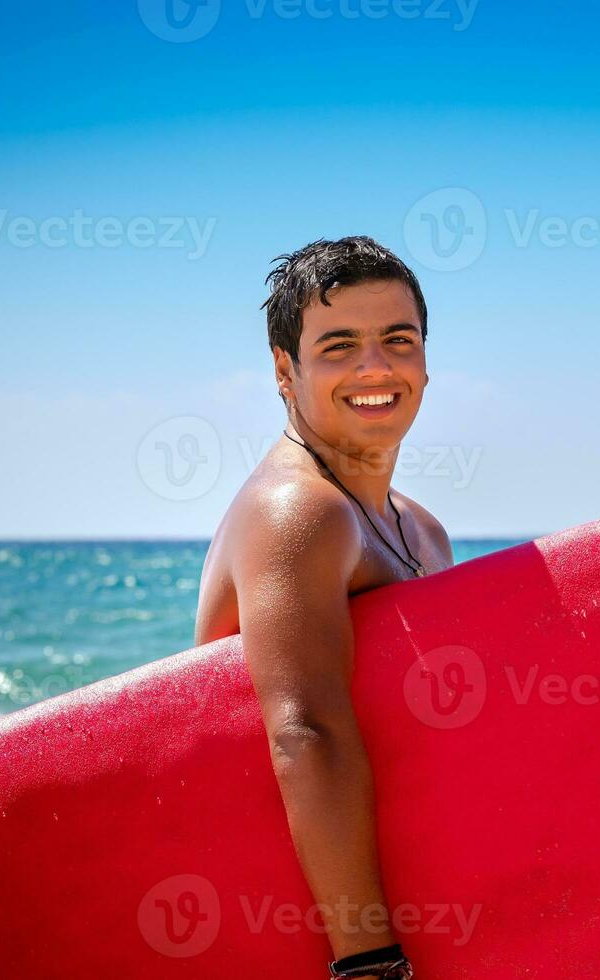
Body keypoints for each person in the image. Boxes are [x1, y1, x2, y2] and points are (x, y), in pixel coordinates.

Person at [195, 236, 454, 979]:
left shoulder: (422, 528)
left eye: (397, 340)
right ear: (286, 371)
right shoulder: (297, 512)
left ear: (426, 362)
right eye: (339, 346)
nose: (375, 368)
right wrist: (369, 963)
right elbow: (305, 731)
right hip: (311, 931)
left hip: (417, 904)